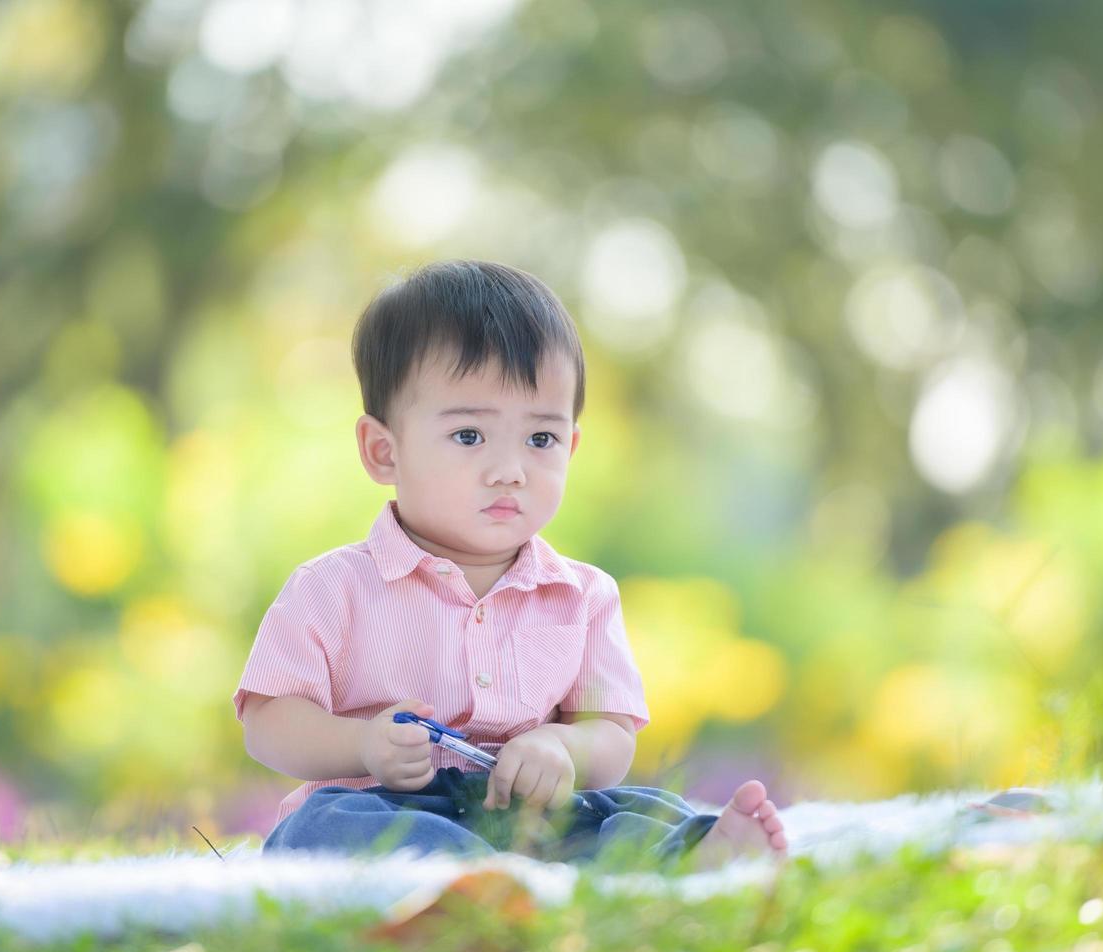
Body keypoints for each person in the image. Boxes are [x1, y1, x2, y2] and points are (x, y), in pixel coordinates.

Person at [234, 260, 786, 871]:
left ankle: (695, 853)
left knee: (632, 808)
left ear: (571, 446)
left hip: (531, 815)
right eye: (470, 436)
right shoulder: (330, 588)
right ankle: (468, 879)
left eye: (540, 439)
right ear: (383, 450)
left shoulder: (582, 596)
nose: (510, 469)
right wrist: (362, 744)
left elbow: (611, 734)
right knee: (321, 826)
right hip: (387, 808)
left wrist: (561, 746)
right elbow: (269, 722)